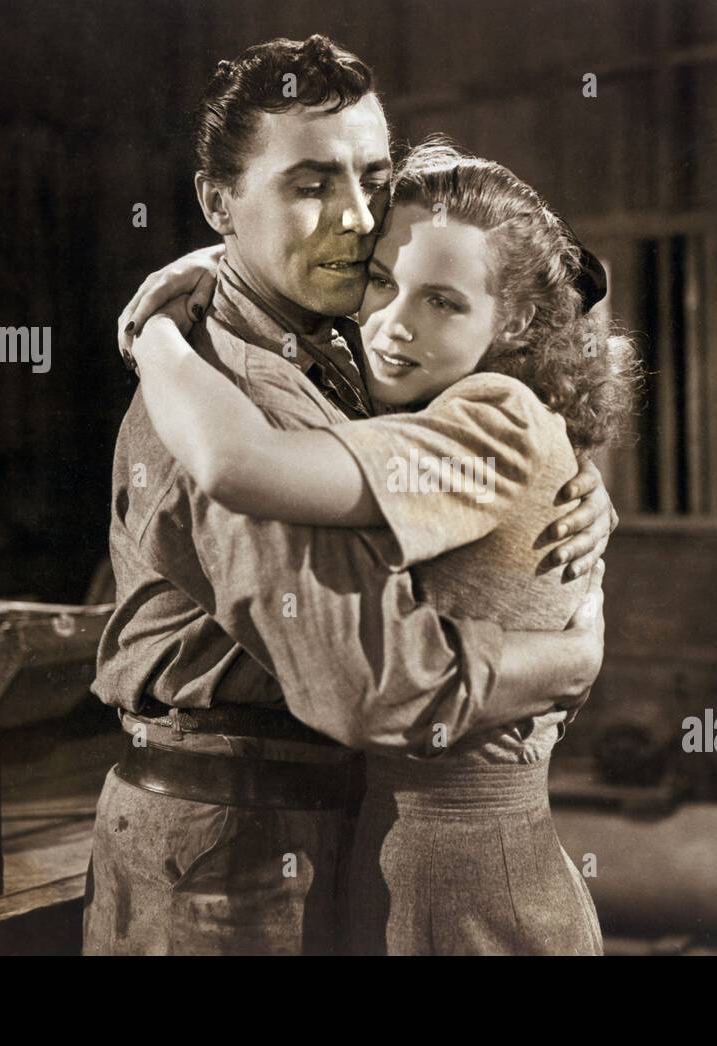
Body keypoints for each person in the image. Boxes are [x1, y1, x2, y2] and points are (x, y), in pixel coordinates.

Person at [83, 35, 617, 956]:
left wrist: (561, 481)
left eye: (372, 176)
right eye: (310, 184)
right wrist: (563, 658)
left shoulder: (344, 350)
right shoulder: (225, 394)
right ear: (219, 204)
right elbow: (379, 686)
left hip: (336, 836)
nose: (358, 217)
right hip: (223, 862)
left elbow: (545, 300)